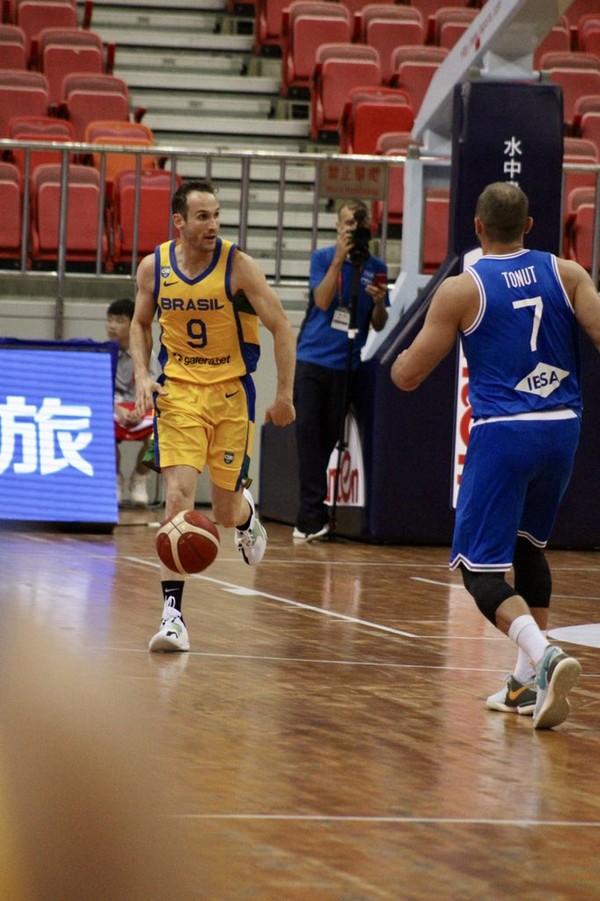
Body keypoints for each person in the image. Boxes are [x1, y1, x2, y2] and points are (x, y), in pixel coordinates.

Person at [391, 181, 600, 730]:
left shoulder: (464, 287)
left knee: (479, 573)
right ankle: (525, 686)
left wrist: (395, 360)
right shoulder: (569, 273)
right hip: (563, 429)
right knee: (529, 549)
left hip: (506, 431)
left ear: (478, 229)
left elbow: (409, 375)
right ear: (531, 226)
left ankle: (545, 655)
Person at [129, 177, 296, 653]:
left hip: (229, 395)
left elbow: (282, 327)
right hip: (179, 392)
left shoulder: (238, 266)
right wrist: (143, 374)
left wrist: (283, 394)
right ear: (179, 221)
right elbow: (141, 325)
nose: (213, 225)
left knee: (222, 510)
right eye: (203, 216)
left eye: (217, 215)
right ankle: (173, 617)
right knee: (177, 499)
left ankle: (246, 519)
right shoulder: (153, 267)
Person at [293, 199, 389, 541]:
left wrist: (379, 301)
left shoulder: (376, 266)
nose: (352, 231)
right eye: (347, 224)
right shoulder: (322, 258)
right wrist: (338, 259)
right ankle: (309, 518)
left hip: (347, 364)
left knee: (330, 437)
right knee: (308, 437)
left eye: (358, 226)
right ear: (337, 226)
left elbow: (379, 323)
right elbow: (321, 301)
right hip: (312, 360)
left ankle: (317, 515)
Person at [106, 297, 158, 507]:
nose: (112, 326)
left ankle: (139, 477)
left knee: (159, 438)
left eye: (119, 321)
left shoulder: (147, 354)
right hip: (114, 409)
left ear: (132, 324)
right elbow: (100, 390)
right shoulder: (104, 352)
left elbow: (151, 389)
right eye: (109, 320)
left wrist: (140, 409)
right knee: (100, 431)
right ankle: (115, 480)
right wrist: (117, 409)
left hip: (140, 409)